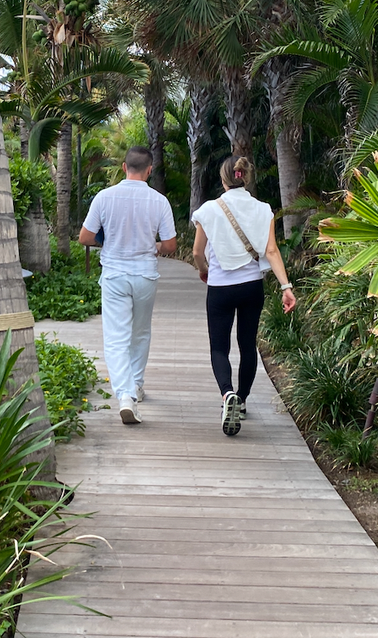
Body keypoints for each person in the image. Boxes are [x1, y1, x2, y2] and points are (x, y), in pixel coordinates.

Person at [192, 155, 296, 437]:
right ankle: (242, 398)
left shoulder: (209, 210)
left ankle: (227, 394)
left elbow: (197, 252)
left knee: (219, 347)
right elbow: (271, 251)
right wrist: (286, 287)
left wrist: (204, 271)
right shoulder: (263, 209)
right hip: (252, 286)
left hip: (220, 288)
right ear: (246, 177)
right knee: (248, 345)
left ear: (223, 179)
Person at [78, 146, 177, 426]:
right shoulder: (159, 201)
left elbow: (84, 237)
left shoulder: (104, 197)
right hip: (145, 275)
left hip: (114, 275)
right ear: (149, 170)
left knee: (116, 338)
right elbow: (170, 245)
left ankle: (125, 395)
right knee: (141, 333)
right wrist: (154, 246)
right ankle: (137, 385)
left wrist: (106, 241)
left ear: (124, 167)